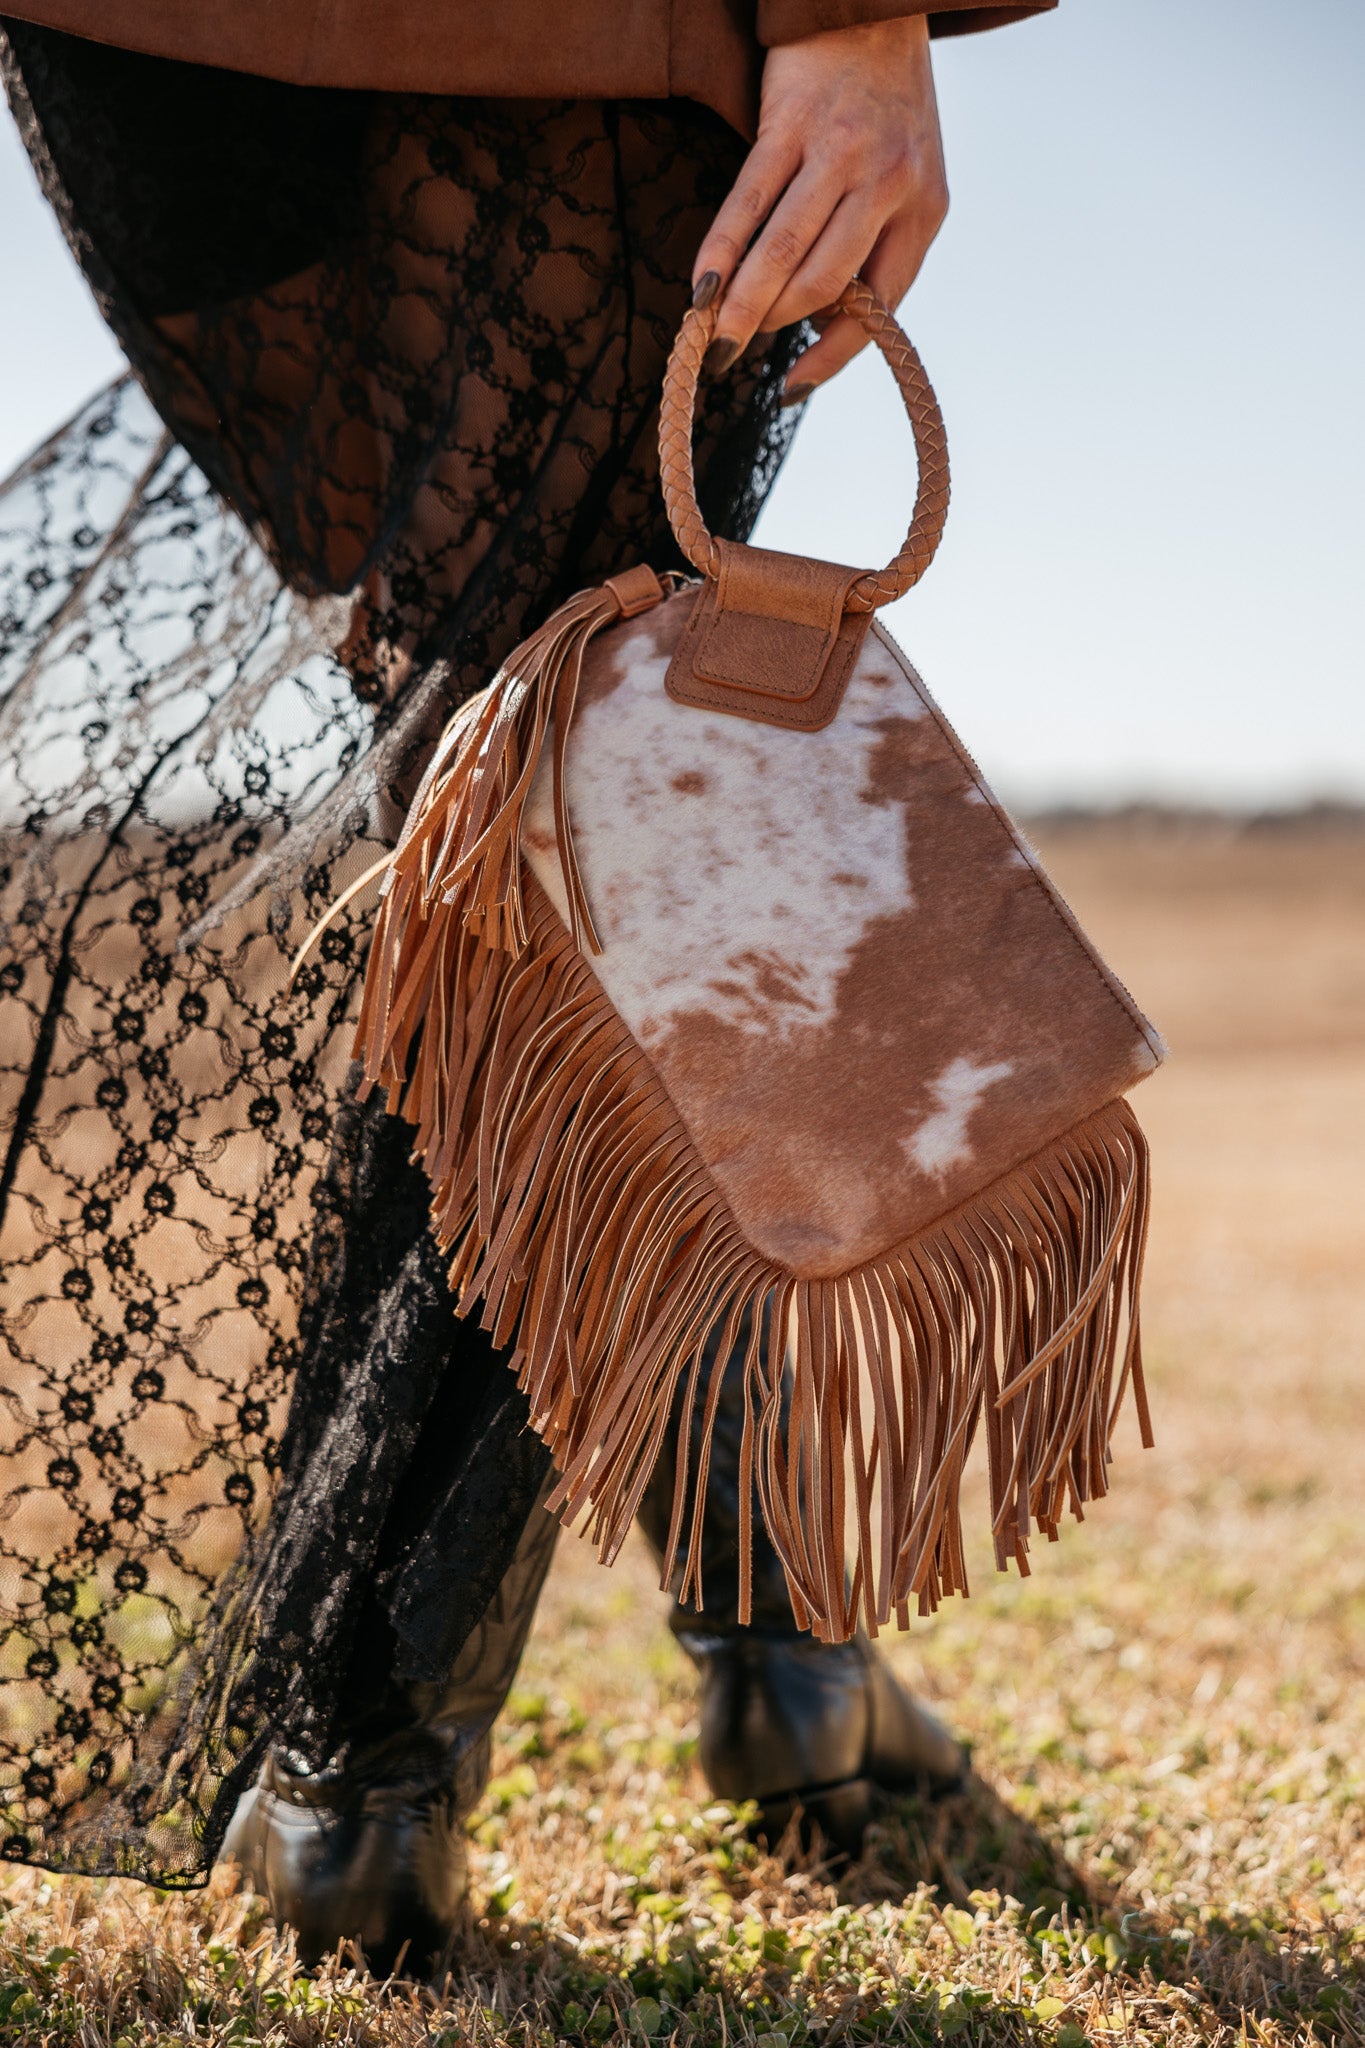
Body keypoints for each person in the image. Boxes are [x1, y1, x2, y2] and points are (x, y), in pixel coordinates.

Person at [0, 0, 1052, 1977]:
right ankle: (376, 1746)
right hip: (552, 34)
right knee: (547, 779)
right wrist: (850, 21)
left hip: (143, 46)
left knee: (511, 759)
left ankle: (760, 1643)